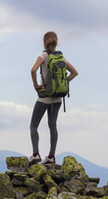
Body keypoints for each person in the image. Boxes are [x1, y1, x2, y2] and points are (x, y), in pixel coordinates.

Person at [29, 31, 78, 164]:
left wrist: (36, 85)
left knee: (33, 125)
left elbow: (33, 70)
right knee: (52, 126)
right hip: (58, 98)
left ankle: (35, 154)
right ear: (56, 42)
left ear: (44, 42)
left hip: (45, 96)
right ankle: (51, 157)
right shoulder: (61, 57)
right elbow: (75, 72)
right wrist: (63, 83)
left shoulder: (44, 55)